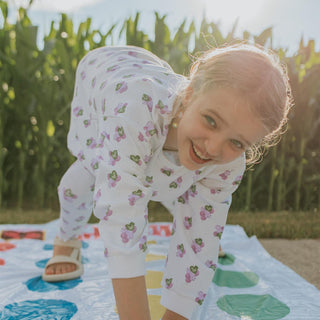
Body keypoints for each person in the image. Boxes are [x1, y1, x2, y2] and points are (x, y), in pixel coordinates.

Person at [42, 44, 292, 320]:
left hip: (155, 114)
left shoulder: (228, 161)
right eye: (210, 121)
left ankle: (180, 201)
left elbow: (200, 242)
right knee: (80, 182)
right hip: (106, 76)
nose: (214, 146)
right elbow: (121, 217)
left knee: (191, 201)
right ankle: (66, 239)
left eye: (236, 142)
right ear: (189, 94)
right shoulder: (132, 112)